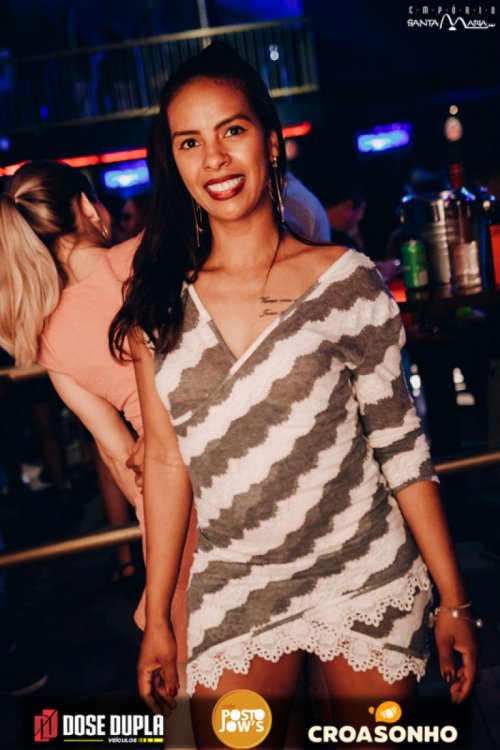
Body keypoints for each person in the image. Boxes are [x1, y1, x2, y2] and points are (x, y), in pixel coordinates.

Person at [110, 42, 478, 749]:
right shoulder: (160, 303)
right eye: (190, 142)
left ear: (271, 143)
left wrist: (453, 601)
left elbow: (401, 445)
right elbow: (164, 462)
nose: (214, 159)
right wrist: (157, 616)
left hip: (365, 571)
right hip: (236, 585)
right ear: (174, 160)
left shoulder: (344, 280)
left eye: (233, 130)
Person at [0, 162, 195, 639]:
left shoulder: (47, 333)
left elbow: (114, 451)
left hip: (168, 495)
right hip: (233, 442)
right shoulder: (153, 253)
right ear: (88, 207)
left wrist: (154, 518)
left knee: (194, 648)